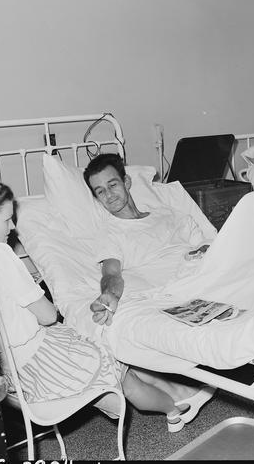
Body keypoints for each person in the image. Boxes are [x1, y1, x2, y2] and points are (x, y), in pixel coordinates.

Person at [0, 181, 209, 433]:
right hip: (42, 362)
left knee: (103, 354)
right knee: (118, 369)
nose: (12, 227)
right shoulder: (0, 255)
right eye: (6, 220)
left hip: (12, 373)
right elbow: (48, 315)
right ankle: (174, 409)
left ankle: (169, 392)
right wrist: (38, 295)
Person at [82, 154, 216, 420]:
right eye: (100, 191)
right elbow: (112, 273)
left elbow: (206, 245)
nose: (108, 195)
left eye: (112, 185)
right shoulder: (110, 233)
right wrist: (109, 294)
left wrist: (205, 253)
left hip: (204, 273)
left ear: (127, 182)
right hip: (179, 289)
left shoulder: (169, 215)